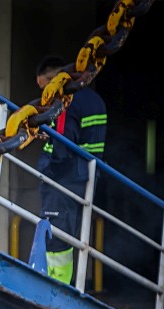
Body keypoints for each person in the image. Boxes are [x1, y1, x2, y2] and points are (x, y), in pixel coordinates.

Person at [36, 55, 107, 285]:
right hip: (85, 179)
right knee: (70, 238)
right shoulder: (96, 101)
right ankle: (62, 287)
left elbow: (63, 146)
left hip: (63, 181)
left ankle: (55, 290)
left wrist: (47, 171)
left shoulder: (67, 100)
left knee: (56, 241)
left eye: (46, 88)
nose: (47, 96)